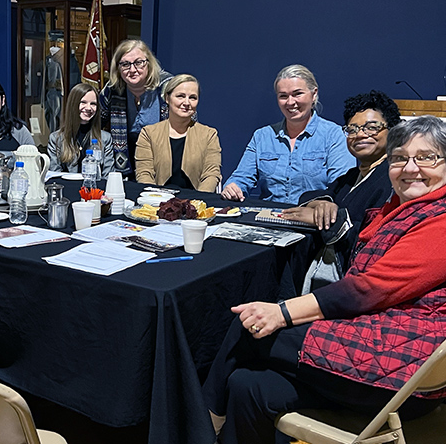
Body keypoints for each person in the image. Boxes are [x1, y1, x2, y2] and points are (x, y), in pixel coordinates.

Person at [201, 115, 446, 444]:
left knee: (250, 326)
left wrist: (282, 312)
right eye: (400, 158)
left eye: (426, 158)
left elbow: (365, 290)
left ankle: (203, 429)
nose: (410, 168)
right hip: (379, 353)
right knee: (249, 383)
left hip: (405, 379)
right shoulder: (403, 211)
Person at [281, 91, 400, 293]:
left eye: (372, 127)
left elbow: (376, 240)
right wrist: (322, 204)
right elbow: (315, 195)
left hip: (356, 287)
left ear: (393, 131)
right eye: (352, 129)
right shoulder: (352, 175)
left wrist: (330, 220)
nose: (360, 135)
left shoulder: (395, 179)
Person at [222, 64, 353, 205]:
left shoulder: (334, 135)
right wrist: (233, 187)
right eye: (283, 96)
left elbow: (341, 188)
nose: (290, 102)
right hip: (267, 216)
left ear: (314, 94)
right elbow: (241, 178)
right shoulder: (262, 136)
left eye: (297, 94)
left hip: (312, 216)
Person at [134, 74, 221, 192]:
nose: (187, 102)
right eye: (180, 96)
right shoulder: (148, 133)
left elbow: (211, 175)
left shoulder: (209, 135)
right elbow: (144, 173)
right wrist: (155, 198)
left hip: (196, 199)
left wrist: (199, 199)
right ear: (167, 98)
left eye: (193, 98)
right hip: (157, 199)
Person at [99, 39, 173, 177]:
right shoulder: (112, 90)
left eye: (139, 63)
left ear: (149, 63)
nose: (132, 70)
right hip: (125, 166)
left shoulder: (168, 87)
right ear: (118, 68)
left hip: (164, 164)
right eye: (125, 64)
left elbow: (190, 126)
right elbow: (94, 124)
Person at [47, 83, 114, 176]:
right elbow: (55, 175)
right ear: (73, 104)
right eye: (83, 102)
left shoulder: (106, 138)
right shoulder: (56, 139)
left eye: (93, 104)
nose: (88, 108)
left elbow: (108, 176)